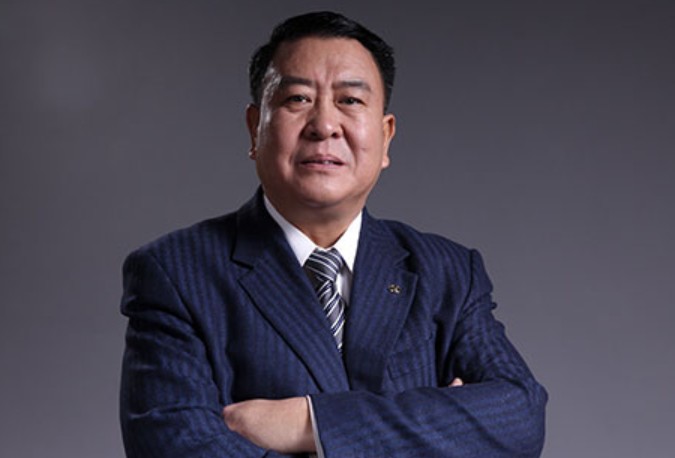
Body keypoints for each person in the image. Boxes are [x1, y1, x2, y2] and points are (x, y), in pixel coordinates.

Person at [119, 11, 547, 458]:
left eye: (350, 100)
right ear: (255, 129)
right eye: (298, 99)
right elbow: (175, 447)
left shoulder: (448, 273)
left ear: (386, 137)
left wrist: (310, 423)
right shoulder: (176, 273)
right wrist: (442, 426)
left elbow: (519, 416)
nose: (324, 125)